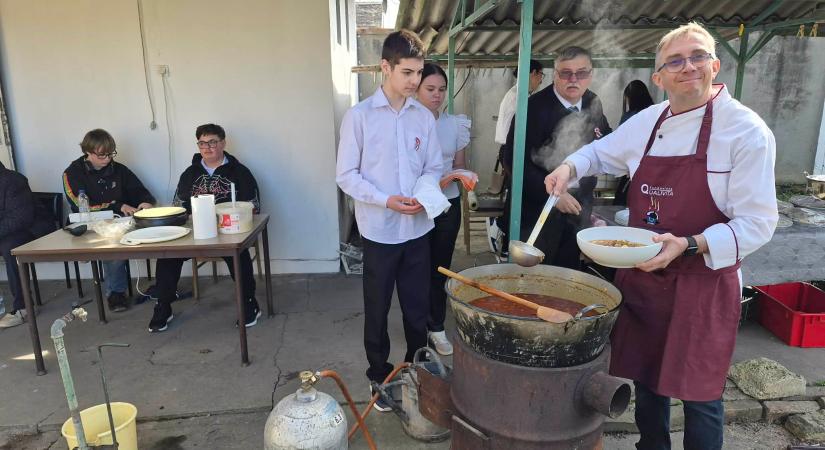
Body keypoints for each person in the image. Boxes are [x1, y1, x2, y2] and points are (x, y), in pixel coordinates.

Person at [544, 23, 778, 449]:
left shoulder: (746, 131)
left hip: (702, 283)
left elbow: (759, 222)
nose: (687, 66)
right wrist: (569, 168)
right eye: (675, 61)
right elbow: (599, 152)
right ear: (659, 77)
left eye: (697, 56)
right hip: (646, 278)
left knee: (700, 392)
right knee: (648, 379)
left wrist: (691, 243)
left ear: (715, 65)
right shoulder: (649, 121)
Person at [336, 30, 443, 411]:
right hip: (379, 232)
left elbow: (433, 167)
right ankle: (378, 378)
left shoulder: (423, 118)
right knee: (377, 310)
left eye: (418, 73)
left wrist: (424, 193)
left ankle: (417, 375)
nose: (416, 81)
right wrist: (387, 201)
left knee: (418, 310)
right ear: (385, 67)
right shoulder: (360, 117)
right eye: (408, 72)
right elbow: (346, 175)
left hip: (417, 229)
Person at [502, 46, 611, 270]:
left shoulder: (593, 103)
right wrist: (553, 196)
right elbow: (513, 160)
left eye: (581, 73)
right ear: (555, 74)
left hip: (578, 209)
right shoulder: (532, 109)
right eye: (565, 73)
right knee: (531, 279)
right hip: (536, 212)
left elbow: (605, 143)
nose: (573, 79)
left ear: (590, 75)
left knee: (568, 276)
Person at [148, 123, 261, 332]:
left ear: (223, 143)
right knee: (167, 255)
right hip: (194, 232)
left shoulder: (240, 172)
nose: (208, 147)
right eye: (202, 143)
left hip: (228, 231)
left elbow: (253, 205)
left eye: (212, 142)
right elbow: (178, 206)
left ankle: (249, 302)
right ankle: (163, 305)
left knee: (238, 253)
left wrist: (232, 216)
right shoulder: (190, 173)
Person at [416, 63, 473, 356]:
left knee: (440, 267)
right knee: (417, 268)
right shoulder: (408, 124)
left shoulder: (455, 125)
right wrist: (446, 178)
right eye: (430, 89)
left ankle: (436, 326)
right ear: (416, 88)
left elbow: (458, 165)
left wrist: (463, 176)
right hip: (418, 205)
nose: (437, 96)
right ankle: (417, 328)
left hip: (447, 205)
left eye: (441, 90)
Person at [63, 129, 155, 312]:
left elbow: (139, 190)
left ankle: (116, 291)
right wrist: (116, 205)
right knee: (110, 245)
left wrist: (146, 202)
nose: (107, 159)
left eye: (110, 154)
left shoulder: (119, 170)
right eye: (102, 155)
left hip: (118, 223)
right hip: (86, 223)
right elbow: (79, 205)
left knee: (115, 242)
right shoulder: (72, 173)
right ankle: (116, 293)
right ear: (87, 152)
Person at [489, 60, 545, 258]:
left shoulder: (520, 94)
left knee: (517, 194)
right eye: (541, 75)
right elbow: (520, 132)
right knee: (517, 195)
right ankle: (503, 233)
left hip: (514, 150)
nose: (540, 80)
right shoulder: (519, 96)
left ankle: (507, 236)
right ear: (532, 73)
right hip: (514, 150)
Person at [613, 80, 655, 206]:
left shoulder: (629, 116)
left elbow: (619, 141)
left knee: (622, 203)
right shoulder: (656, 112)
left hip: (630, 169)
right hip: (653, 168)